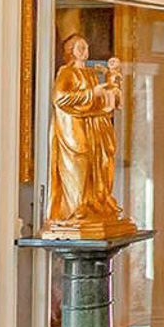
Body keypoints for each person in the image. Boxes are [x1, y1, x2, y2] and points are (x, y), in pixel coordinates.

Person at [48, 34, 128, 228]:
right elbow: (60, 98)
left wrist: (111, 88)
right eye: (80, 48)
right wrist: (92, 93)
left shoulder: (92, 73)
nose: (85, 51)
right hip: (74, 126)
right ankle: (76, 208)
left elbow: (103, 100)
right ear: (71, 51)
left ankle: (96, 202)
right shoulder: (66, 72)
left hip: (95, 126)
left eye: (86, 47)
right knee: (79, 166)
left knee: (100, 164)